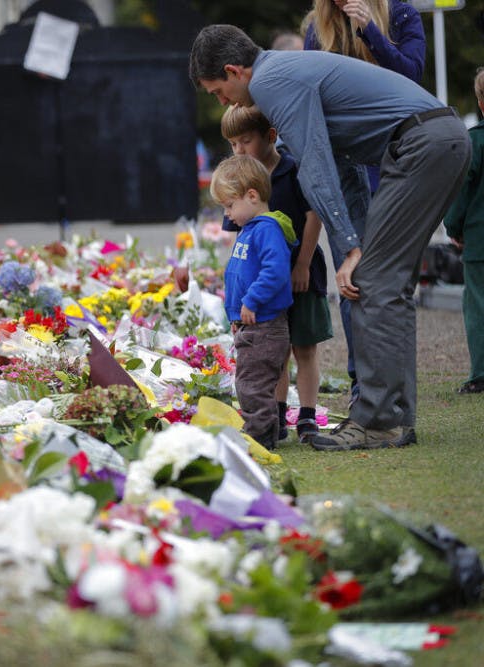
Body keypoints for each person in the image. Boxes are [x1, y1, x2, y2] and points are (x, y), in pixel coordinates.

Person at [189, 24, 470, 450]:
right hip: (433, 140)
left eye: (217, 92)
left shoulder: (269, 81)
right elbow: (346, 167)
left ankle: (379, 421)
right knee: (385, 283)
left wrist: (353, 248)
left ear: (233, 70)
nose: (222, 102)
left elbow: (314, 166)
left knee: (372, 280)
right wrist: (354, 240)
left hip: (420, 145)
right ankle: (394, 418)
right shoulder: (284, 70)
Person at [302, 0, 426, 406]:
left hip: (396, 165)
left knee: (389, 285)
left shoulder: (402, 15)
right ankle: (363, 388)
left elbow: (412, 78)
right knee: (352, 283)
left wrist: (371, 30)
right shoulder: (317, 29)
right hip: (345, 171)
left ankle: (395, 389)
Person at [220, 105, 333, 443]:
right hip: (264, 287)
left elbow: (315, 216)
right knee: (275, 352)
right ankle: (278, 414)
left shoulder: (292, 170)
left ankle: (308, 416)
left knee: (305, 347)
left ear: (269, 137)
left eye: (246, 141)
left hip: (301, 272)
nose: (239, 150)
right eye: (233, 144)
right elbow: (240, 238)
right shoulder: (240, 181)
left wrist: (301, 264)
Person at [211, 154, 294, 448]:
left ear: (252, 195)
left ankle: (259, 435)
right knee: (249, 380)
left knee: (253, 384)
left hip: (265, 323)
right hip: (251, 323)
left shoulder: (267, 229)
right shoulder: (250, 229)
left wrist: (252, 301)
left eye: (230, 205)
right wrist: (236, 316)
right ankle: (265, 432)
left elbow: (276, 271)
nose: (228, 214)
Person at [444, 67, 484, 395]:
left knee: (478, 304)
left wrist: (452, 226)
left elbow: (463, 189)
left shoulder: (475, 141)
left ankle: (481, 373)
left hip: (480, 239)